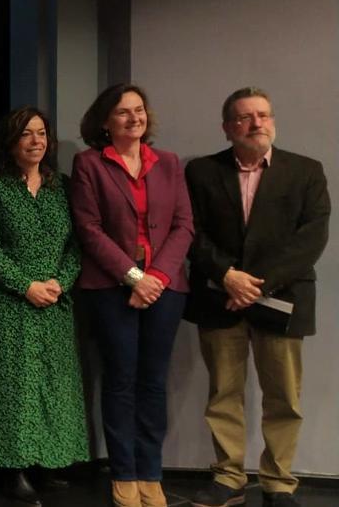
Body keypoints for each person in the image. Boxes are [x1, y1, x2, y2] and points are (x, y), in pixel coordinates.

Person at [185, 87, 330, 507]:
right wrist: (227, 276)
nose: (257, 123)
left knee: (284, 396)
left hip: (283, 301)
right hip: (219, 296)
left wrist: (256, 286)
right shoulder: (201, 172)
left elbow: (311, 238)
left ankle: (278, 482)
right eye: (246, 118)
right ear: (229, 127)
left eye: (263, 115)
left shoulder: (305, 171)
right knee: (222, 393)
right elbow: (191, 231)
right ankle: (228, 477)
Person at [69, 84, 194, 507]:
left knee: (153, 383)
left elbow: (183, 226)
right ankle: (123, 471)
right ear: (106, 121)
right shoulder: (89, 163)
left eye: (139, 110)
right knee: (120, 381)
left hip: (165, 288)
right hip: (111, 287)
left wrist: (155, 276)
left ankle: (151, 472)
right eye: (123, 112)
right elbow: (88, 228)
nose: (134, 118)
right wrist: (133, 276)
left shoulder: (169, 163)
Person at [0, 106, 88, 507]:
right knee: (12, 385)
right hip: (9, 301)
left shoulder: (63, 187)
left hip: (55, 299)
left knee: (52, 383)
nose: (36, 141)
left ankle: (48, 459)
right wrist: (26, 285)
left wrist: (60, 281)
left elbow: (76, 245)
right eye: (26, 135)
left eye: (41, 134)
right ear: (10, 142)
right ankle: (13, 467)